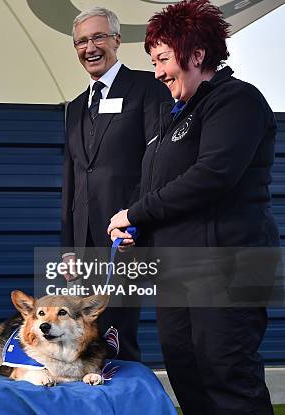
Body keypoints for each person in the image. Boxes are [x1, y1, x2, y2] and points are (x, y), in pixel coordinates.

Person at [107, 1, 278, 413]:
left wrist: (136, 213)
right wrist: (133, 229)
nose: (158, 72)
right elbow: (157, 187)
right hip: (178, 270)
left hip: (228, 265)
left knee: (227, 375)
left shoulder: (238, 100)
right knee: (187, 373)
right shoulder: (175, 116)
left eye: (164, 59)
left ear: (197, 55)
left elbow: (212, 175)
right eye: (154, 61)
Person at [61, 6, 172, 361]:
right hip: (83, 243)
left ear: (117, 41)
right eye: (81, 41)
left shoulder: (146, 88)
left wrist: (136, 220)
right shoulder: (76, 106)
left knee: (117, 335)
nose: (89, 47)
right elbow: (73, 174)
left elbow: (156, 162)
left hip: (125, 238)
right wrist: (67, 247)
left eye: (98, 37)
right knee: (82, 338)